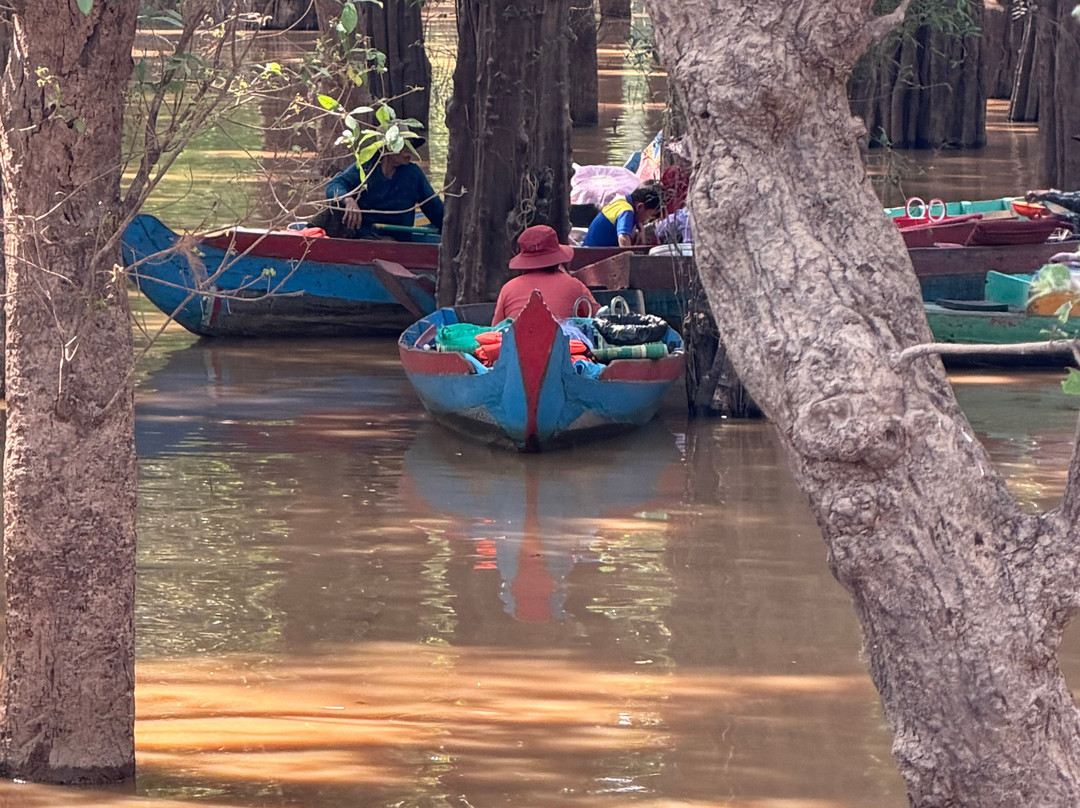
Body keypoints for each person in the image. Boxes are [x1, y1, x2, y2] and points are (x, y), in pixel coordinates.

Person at [309, 138, 444, 241]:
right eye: (403, 145)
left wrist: (449, 230)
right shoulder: (367, 167)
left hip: (396, 240)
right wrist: (348, 200)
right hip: (362, 235)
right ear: (386, 148)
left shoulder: (413, 174)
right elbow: (334, 185)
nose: (409, 151)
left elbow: (435, 208)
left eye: (411, 146)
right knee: (333, 209)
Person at [492, 225, 599, 324]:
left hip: (516, 339)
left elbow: (495, 331)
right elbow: (599, 320)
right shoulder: (574, 286)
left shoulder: (508, 289)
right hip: (563, 339)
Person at [582, 181, 663, 247]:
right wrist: (633, 258)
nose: (648, 220)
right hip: (595, 254)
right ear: (640, 207)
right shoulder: (626, 211)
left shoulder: (622, 201)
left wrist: (640, 226)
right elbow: (623, 238)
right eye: (652, 215)